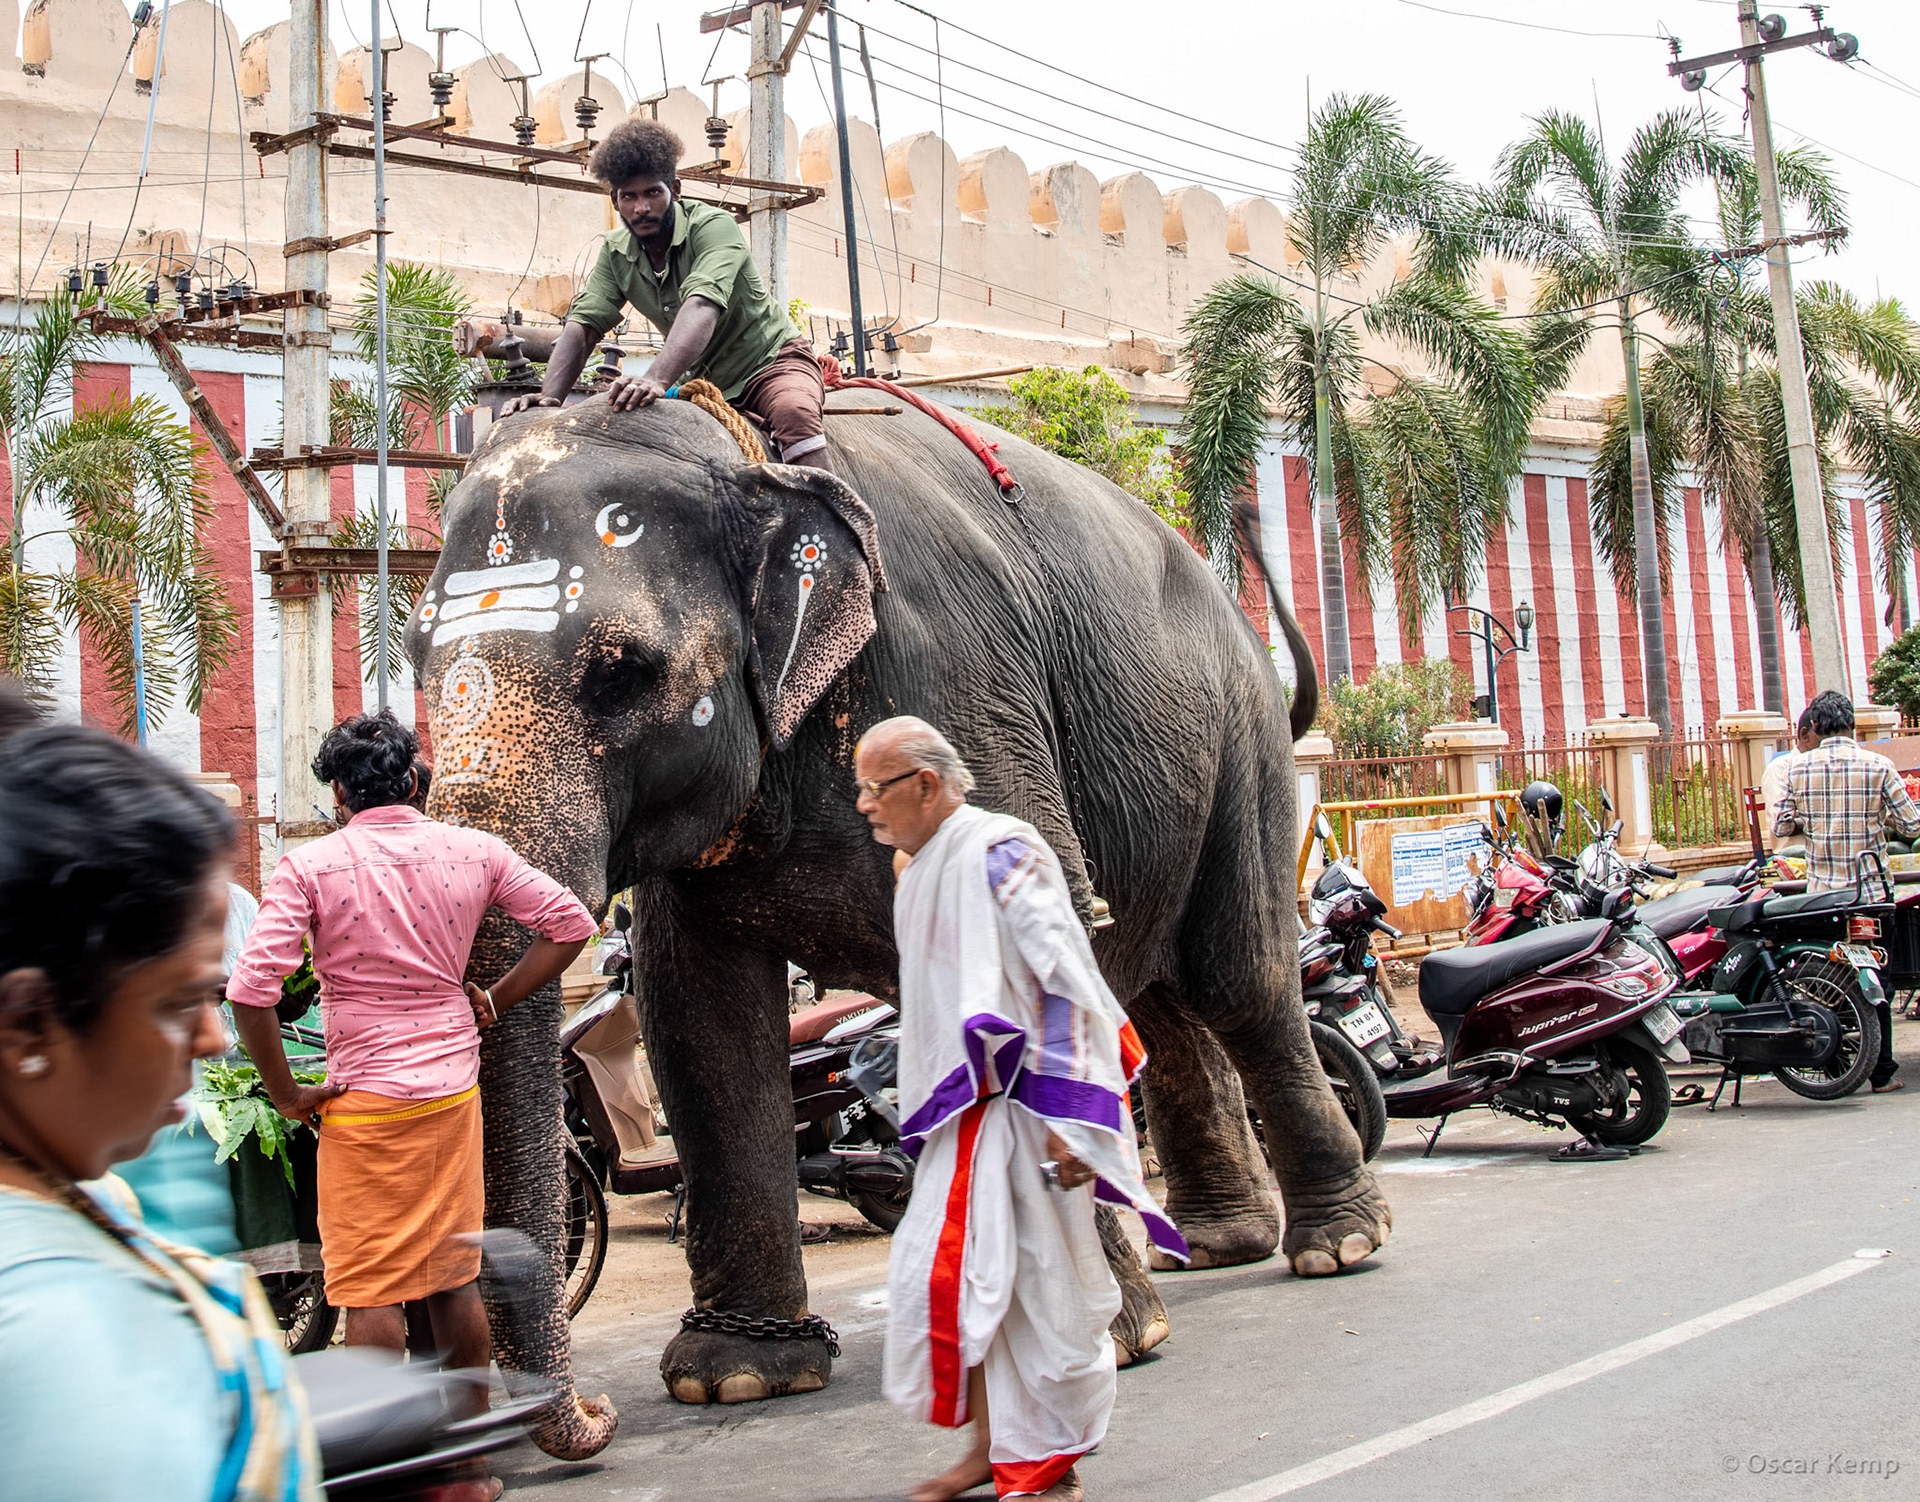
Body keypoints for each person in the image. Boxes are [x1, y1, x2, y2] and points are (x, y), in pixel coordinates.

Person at [226, 711, 596, 1487]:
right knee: (452, 1277)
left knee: (371, 1291)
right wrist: (491, 1000)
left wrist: (288, 1093)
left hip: (362, 1104)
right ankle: (465, 1473)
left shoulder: (311, 868)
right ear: (415, 780)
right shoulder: (473, 850)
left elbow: (252, 991)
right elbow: (571, 923)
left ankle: (393, 1474)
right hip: (450, 1092)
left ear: (338, 793)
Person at [858, 716, 1185, 1502]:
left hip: (1028, 1115)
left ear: (926, 785)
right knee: (955, 1286)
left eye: (876, 788)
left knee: (1041, 1298)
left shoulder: (1003, 848)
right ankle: (990, 1451)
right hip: (964, 1121)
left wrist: (1077, 1119)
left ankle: (1046, 1469)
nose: (865, 805)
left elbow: (1064, 980)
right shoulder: (919, 865)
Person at [0, 725, 321, 1499]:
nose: (212, 1040)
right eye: (179, 1003)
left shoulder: (81, 1189)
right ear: (29, 1025)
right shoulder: (51, 1329)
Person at [500, 118, 834, 472]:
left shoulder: (714, 227)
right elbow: (584, 325)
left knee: (793, 414)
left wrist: (656, 378)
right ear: (615, 201)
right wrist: (550, 397)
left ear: (674, 189)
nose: (641, 207)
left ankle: (840, 523)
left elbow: (702, 302)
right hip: (705, 382)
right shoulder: (615, 251)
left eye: (652, 193)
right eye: (629, 196)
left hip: (769, 365)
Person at [1774, 689, 1920, 1093]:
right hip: (1870, 896)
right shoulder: (1879, 765)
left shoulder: (1798, 769)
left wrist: (1819, 823)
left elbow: (1782, 826)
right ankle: (1882, 1073)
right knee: (1877, 979)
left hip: (1822, 899)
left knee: (1832, 979)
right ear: (1852, 725)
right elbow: (1911, 827)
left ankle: (1838, 1063)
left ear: (1815, 726)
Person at [1760, 710, 1817, 852]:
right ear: (1805, 735)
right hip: (1796, 855)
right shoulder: (1781, 768)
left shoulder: (1826, 767)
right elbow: (1781, 824)